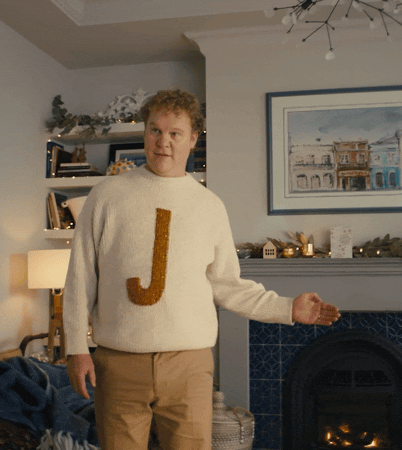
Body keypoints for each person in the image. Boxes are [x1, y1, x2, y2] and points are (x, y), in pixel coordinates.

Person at [64, 88, 340, 450]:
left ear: (193, 139)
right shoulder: (107, 195)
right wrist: (75, 349)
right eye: (154, 130)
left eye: (175, 133)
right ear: (144, 132)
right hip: (118, 365)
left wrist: (288, 307)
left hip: (189, 367)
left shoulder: (209, 207)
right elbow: (80, 277)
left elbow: (228, 285)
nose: (163, 142)